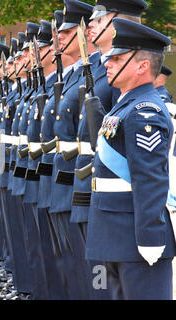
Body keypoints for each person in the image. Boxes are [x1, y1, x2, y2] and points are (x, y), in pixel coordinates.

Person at [85, 18, 175, 300]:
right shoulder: (125, 106)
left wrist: (150, 238)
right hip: (111, 233)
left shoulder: (144, 110)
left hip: (135, 242)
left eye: (118, 58)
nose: (107, 63)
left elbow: (150, 179)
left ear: (142, 66)